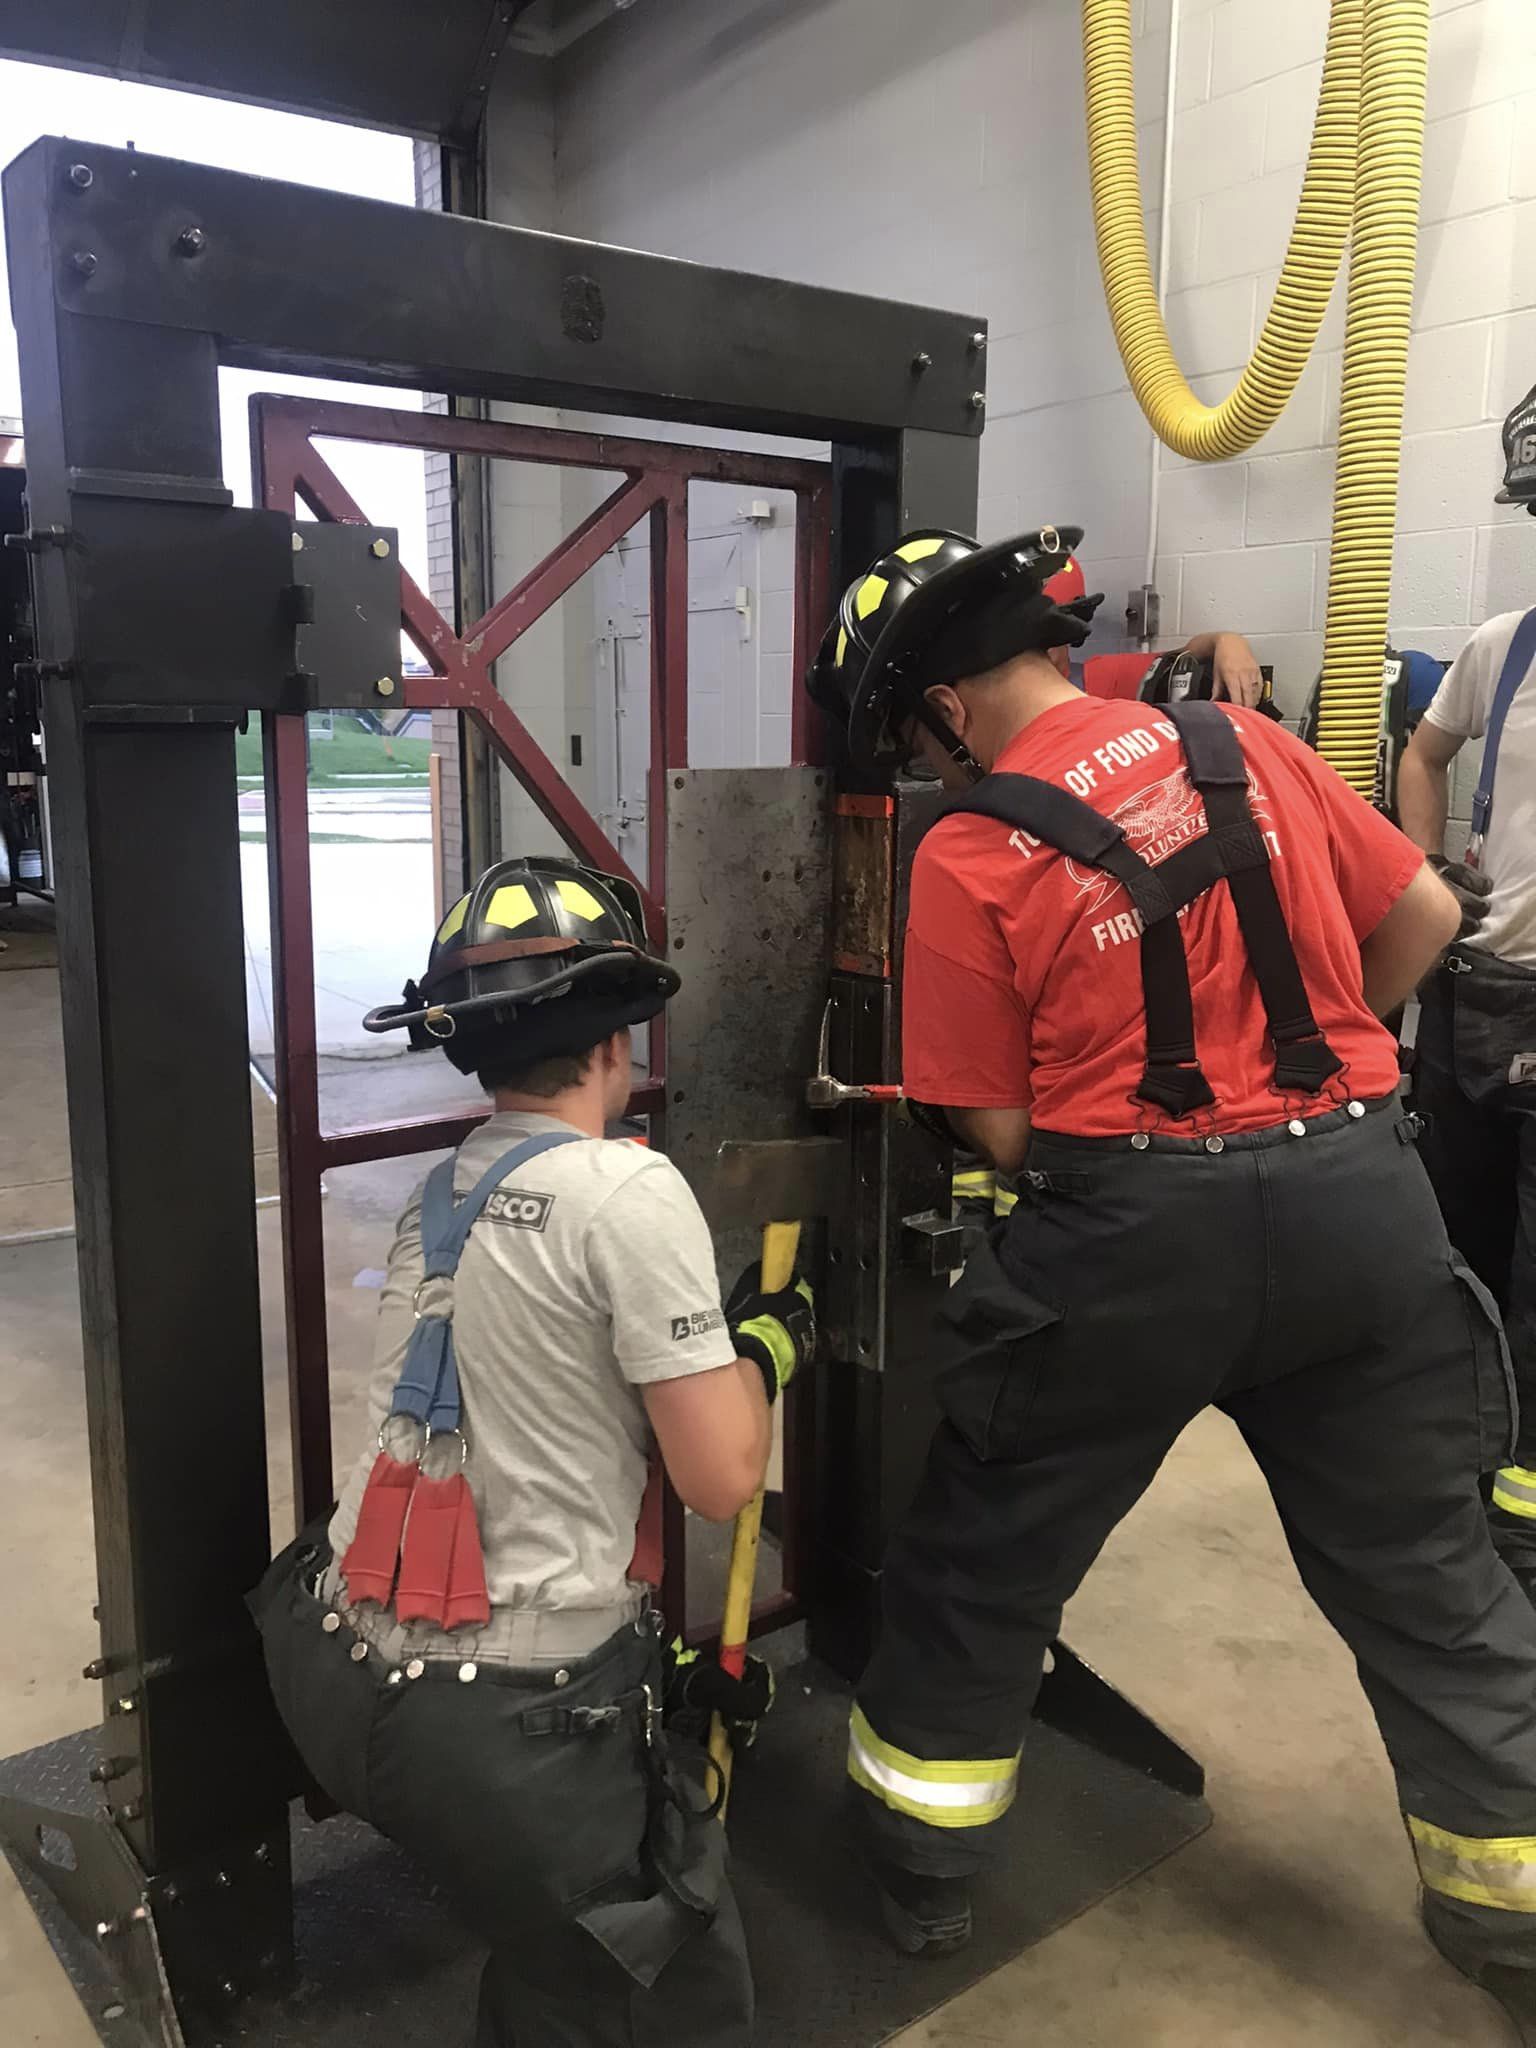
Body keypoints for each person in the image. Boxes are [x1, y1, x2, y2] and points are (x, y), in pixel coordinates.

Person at [807, 525, 1536, 2036]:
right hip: (1363, 1205)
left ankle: (921, 1879)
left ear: (941, 704)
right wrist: (1306, 1077)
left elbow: (1000, 1125)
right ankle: (1513, 1921)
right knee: (1435, 1584)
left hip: (1131, 1244)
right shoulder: (1240, 745)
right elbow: (1426, 919)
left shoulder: (965, 848)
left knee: (985, 1563)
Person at [249, 854, 814, 2048]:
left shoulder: (433, 1197)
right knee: (656, 1981)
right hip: (500, 1733)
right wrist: (759, 1355)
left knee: (550, 1930)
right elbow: (717, 1480)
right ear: (616, 1043)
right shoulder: (629, 1190)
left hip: (331, 1676)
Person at [1398, 381, 1536, 1594]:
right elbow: (1423, 748)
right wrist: (1432, 877)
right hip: (1483, 989)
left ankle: (1524, 1520)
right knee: (1458, 1245)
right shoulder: (1504, 647)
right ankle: (1457, 1479)